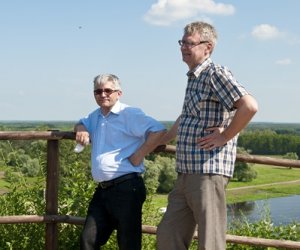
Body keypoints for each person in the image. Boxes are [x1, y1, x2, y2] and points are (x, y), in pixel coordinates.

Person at [156, 21, 258, 250]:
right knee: (167, 234)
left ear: (207, 47)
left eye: (189, 43)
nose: (183, 47)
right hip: (186, 171)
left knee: (210, 241)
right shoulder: (194, 77)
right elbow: (186, 118)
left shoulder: (215, 73)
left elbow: (249, 106)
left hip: (207, 171)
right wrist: (159, 141)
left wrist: (225, 136)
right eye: (181, 42)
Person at [74, 73, 166, 250]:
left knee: (128, 244)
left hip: (127, 187)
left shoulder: (129, 113)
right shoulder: (96, 116)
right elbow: (81, 122)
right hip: (103, 190)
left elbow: (158, 130)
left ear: (119, 93)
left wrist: (139, 155)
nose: (103, 95)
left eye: (108, 90)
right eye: (98, 91)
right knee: (88, 240)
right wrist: (81, 129)